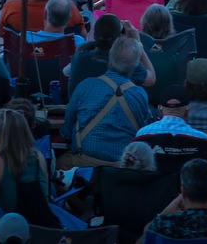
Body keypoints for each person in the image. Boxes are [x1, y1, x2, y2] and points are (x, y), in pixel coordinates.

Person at [63, 34, 150, 163]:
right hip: (122, 166)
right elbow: (143, 132)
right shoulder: (140, 94)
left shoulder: (86, 85)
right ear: (136, 65)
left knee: (54, 168)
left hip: (86, 161)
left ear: (110, 57)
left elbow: (68, 125)